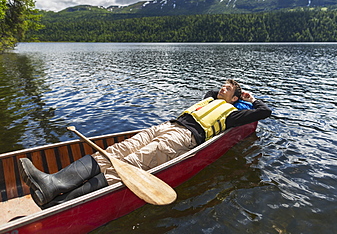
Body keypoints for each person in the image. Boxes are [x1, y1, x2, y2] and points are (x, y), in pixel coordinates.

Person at [19, 79, 271, 209]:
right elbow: (208, 93)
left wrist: (250, 98)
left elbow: (264, 111)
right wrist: (226, 92)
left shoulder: (233, 113)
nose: (222, 88)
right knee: (113, 152)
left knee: (128, 164)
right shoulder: (210, 99)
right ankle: (52, 185)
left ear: (236, 97)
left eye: (228, 88)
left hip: (183, 139)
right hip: (165, 126)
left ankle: (62, 204)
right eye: (222, 86)